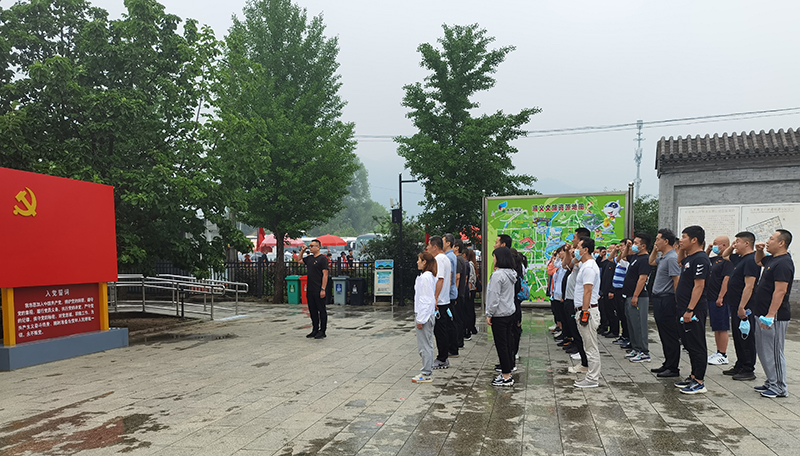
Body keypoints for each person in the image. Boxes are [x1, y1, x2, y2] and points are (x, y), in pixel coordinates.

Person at [753, 229, 793, 398]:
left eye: (771, 239)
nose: (768, 241)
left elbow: (780, 291)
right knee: (764, 351)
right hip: (762, 312)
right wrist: (759, 250)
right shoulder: (773, 259)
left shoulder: (784, 263)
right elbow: (758, 261)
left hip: (775, 316)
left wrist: (770, 315)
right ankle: (771, 381)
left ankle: (780, 387)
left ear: (781, 243)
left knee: (774, 351)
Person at [673, 225, 712, 394]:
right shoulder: (690, 258)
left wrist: (690, 309)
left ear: (694, 240)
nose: (680, 240)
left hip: (693, 309)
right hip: (683, 308)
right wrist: (682, 248)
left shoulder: (701, 259)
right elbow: (679, 261)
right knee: (688, 343)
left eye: (684, 237)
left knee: (697, 344)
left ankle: (699, 381)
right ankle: (693, 375)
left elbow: (699, 286)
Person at [721, 231, 760, 381]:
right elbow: (725, 255)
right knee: (738, 336)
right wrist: (732, 246)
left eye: (738, 241)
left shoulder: (752, 260)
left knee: (746, 336)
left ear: (747, 243)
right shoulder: (740, 258)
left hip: (745, 306)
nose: (735, 244)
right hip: (735, 304)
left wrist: (742, 306)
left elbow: (749, 286)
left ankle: (748, 368)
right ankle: (740, 364)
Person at [649, 229, 681, 378]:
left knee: (670, 334)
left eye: (658, 239)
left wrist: (677, 302)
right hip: (659, 299)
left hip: (667, 299)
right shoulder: (663, 257)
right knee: (663, 333)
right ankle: (667, 363)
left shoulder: (672, 258)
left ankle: (673, 367)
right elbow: (651, 262)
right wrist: (655, 250)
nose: (656, 242)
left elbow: (676, 280)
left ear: (666, 241)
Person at [485, 246, 518, 387]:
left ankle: (506, 376)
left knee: (502, 346)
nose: (493, 259)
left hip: (499, 314)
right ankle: (508, 369)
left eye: (494, 257)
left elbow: (494, 296)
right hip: (509, 312)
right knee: (508, 343)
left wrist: (489, 313)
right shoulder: (511, 273)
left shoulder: (498, 275)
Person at [573, 236, 602, 388]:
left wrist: (584, 312)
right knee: (588, 345)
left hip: (588, 310)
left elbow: (588, 291)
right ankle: (591, 376)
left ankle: (592, 379)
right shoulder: (585, 265)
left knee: (591, 347)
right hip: (584, 309)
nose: (575, 250)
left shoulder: (589, 267)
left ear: (585, 250)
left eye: (578, 247)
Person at [620, 234, 652, 363]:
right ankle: (635, 348)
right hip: (629, 295)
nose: (633, 245)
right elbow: (624, 257)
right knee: (632, 323)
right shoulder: (635, 257)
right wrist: (628, 247)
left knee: (639, 324)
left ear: (643, 246)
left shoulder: (645, 259)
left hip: (639, 297)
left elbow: (642, 279)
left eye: (636, 243)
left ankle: (644, 351)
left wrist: (635, 296)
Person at [426, 236, 457, 369]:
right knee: (442, 329)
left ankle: (442, 358)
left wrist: (435, 298)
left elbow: (440, 279)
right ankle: (443, 356)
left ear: (435, 246)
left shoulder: (438, 259)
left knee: (440, 331)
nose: (427, 248)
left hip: (440, 301)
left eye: (429, 245)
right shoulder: (445, 258)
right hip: (444, 299)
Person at [705, 236, 733, 366]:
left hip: (720, 299)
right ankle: (718, 351)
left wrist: (721, 296)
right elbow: (704, 261)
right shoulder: (714, 259)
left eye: (716, 244)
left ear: (724, 245)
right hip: (711, 297)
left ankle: (723, 354)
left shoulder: (728, 261)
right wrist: (708, 249)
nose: (714, 245)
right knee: (716, 326)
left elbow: (726, 279)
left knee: (722, 327)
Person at [412, 252, 438, 383]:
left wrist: (421, 319)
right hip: (427, 314)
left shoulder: (426, 278)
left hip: (425, 315)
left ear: (425, 262)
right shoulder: (428, 276)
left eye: (419, 260)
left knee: (425, 346)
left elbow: (426, 300)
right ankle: (427, 370)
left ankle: (426, 372)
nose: (417, 262)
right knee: (426, 344)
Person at [300, 239, 329, 339]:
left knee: (321, 310)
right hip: (310, 289)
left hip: (318, 288)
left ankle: (322, 331)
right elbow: (299, 260)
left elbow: (325, 274)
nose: (310, 248)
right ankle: (315, 329)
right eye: (310, 246)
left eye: (312, 246)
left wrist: (323, 289)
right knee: (312, 310)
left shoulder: (322, 259)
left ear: (318, 247)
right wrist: (302, 251)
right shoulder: (309, 258)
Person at [611, 239, 630, 347]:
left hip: (623, 290)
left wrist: (625, 250)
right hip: (617, 290)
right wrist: (616, 250)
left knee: (624, 314)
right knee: (620, 314)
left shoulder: (627, 260)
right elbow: (612, 259)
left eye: (623, 246)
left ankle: (627, 336)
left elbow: (622, 258)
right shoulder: (621, 260)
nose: (621, 247)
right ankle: (623, 335)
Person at [599, 243, 619, 339]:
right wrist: (600, 256)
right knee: (607, 311)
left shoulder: (615, 263)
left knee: (612, 312)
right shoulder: (607, 262)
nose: (608, 251)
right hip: (605, 290)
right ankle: (610, 329)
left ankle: (615, 331)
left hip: (611, 291)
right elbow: (599, 264)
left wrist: (612, 290)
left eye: (611, 249)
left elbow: (614, 278)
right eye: (609, 249)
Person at [453, 239, 470, 344]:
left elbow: (457, 277)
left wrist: (454, 292)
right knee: (459, 317)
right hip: (461, 292)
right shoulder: (461, 259)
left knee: (457, 318)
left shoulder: (458, 259)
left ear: (457, 248)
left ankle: (459, 341)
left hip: (458, 294)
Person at [463, 247, 479, 337]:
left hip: (470, 289)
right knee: (470, 309)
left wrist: (468, 290)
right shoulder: (472, 264)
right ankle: (471, 327)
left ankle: (470, 328)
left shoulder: (470, 264)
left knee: (469, 310)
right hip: (471, 289)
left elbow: (470, 279)